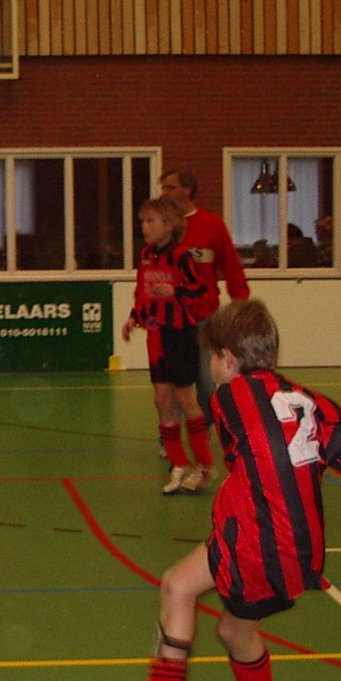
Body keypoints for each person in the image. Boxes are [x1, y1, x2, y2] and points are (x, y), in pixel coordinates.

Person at [99, 299, 341, 681]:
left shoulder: (229, 396)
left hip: (256, 539)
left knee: (176, 586)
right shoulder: (309, 401)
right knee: (233, 629)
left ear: (229, 359)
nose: (211, 368)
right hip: (300, 546)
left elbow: (248, 447)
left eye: (213, 358)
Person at [120, 197, 214, 494]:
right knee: (162, 400)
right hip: (156, 334)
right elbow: (142, 291)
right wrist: (134, 317)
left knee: (185, 398)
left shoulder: (182, 256)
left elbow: (200, 289)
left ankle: (204, 464)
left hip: (180, 334)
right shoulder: (146, 255)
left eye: (151, 221)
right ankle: (178, 463)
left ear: (170, 225)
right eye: (142, 221)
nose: (144, 227)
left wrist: (175, 291)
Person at [159, 167, 250, 418]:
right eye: (163, 188)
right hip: (172, 318)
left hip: (204, 316)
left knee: (207, 380)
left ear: (187, 190)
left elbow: (231, 266)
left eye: (170, 187)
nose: (164, 193)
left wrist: (240, 304)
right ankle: (170, 433)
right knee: (174, 384)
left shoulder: (212, 225)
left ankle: (208, 427)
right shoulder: (163, 227)